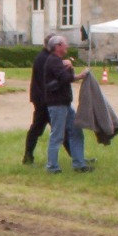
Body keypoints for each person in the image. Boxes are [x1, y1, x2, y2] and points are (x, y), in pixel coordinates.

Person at [43, 35, 90, 173]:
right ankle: (52, 166)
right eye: (65, 44)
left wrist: (67, 66)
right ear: (58, 47)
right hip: (57, 104)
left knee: (76, 131)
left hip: (64, 103)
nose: (67, 46)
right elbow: (65, 78)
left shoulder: (56, 61)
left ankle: (79, 164)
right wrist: (78, 74)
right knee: (57, 135)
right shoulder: (53, 61)